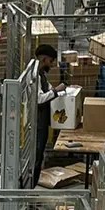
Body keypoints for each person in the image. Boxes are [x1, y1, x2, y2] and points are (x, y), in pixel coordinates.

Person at [32, 44, 64, 188]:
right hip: (37, 124)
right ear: (44, 59)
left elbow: (47, 87)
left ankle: (31, 190)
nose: (51, 65)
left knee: (39, 156)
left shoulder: (41, 74)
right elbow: (38, 99)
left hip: (42, 122)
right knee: (36, 158)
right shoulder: (35, 75)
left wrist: (61, 91)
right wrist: (56, 91)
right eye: (50, 61)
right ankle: (29, 190)